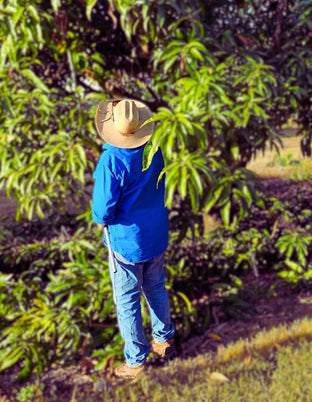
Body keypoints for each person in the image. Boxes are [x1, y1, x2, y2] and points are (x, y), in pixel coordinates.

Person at [92, 99, 176, 379]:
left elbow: (102, 210)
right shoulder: (155, 149)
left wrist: (101, 220)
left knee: (127, 299)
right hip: (155, 233)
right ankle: (164, 341)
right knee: (155, 287)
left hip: (127, 241)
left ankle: (136, 362)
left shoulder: (112, 159)